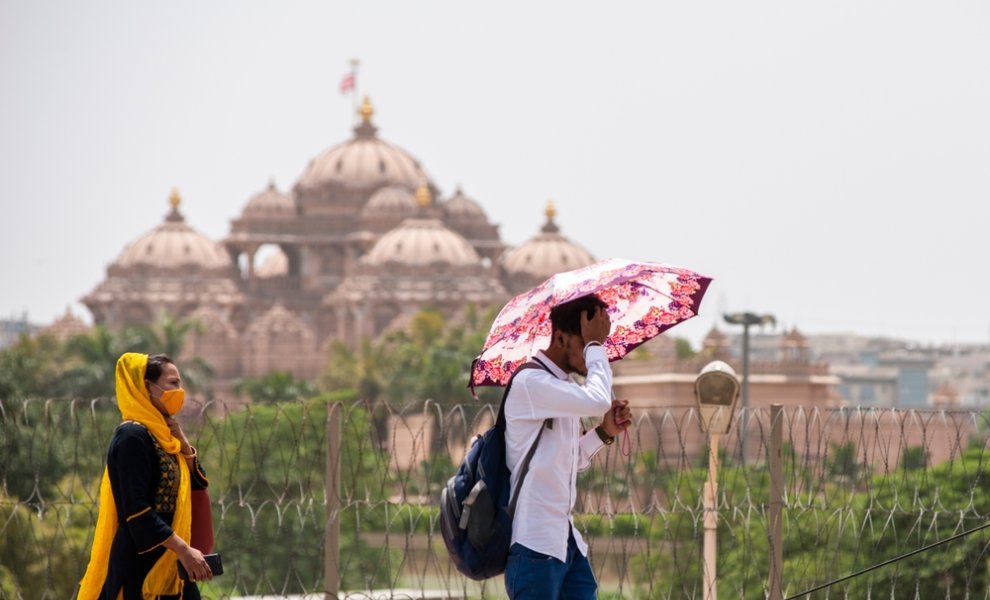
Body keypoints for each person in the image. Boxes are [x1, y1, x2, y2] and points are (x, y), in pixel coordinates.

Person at [503, 294, 633, 600]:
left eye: (596, 344)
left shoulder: (560, 388)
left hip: (565, 542)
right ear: (561, 338)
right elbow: (599, 399)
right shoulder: (531, 384)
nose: (592, 354)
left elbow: (568, 460)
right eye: (586, 342)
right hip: (535, 545)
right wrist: (596, 345)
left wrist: (604, 432)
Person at [78, 352, 213, 600]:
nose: (179, 391)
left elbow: (197, 484)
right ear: (147, 387)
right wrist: (183, 549)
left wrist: (183, 444)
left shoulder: (167, 437)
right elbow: (136, 510)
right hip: (140, 564)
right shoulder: (133, 437)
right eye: (173, 383)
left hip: (172, 562)